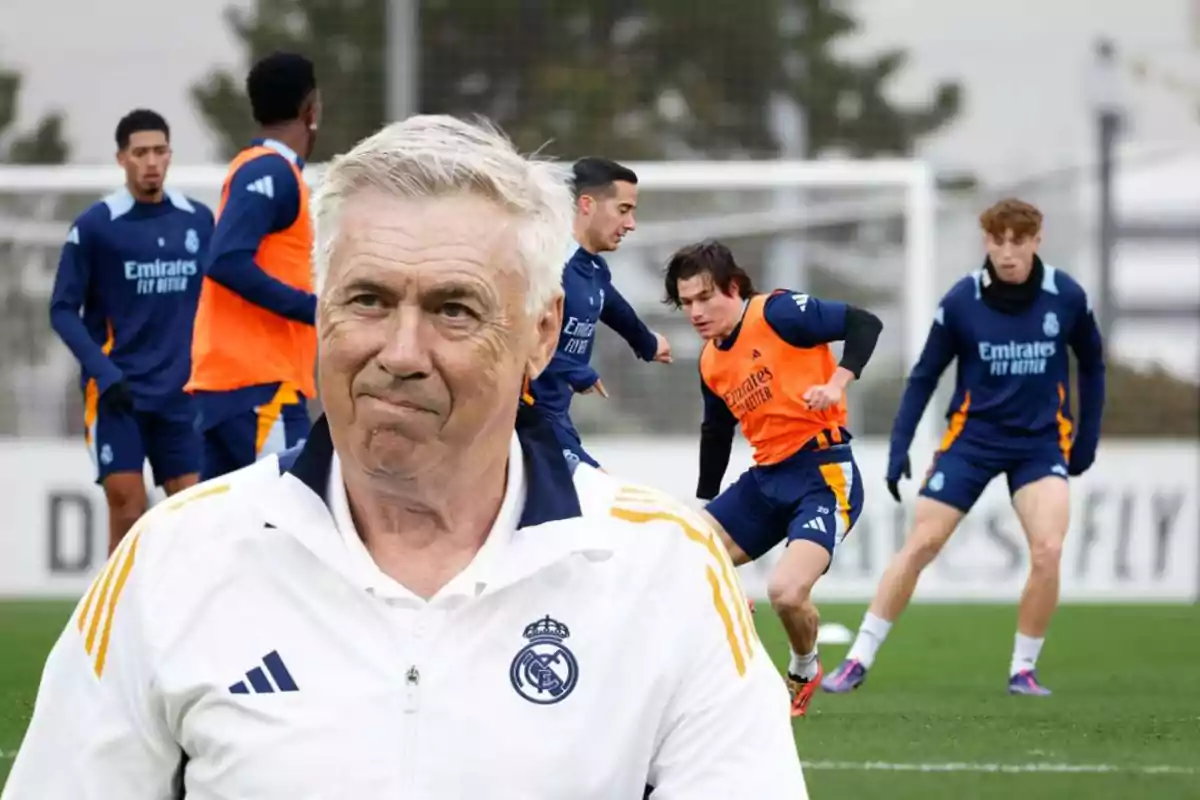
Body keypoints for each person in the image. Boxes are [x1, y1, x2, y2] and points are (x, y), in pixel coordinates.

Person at [3, 115, 808, 800]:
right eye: (368, 300)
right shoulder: (173, 559)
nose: (401, 351)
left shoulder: (665, 571)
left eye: (455, 309)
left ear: (539, 331)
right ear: (320, 311)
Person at [824, 198, 1105, 697]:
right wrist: (900, 445)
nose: (1008, 252)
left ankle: (1023, 668)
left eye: (1018, 241)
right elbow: (925, 375)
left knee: (1049, 548)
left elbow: (1093, 365)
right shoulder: (961, 301)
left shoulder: (1065, 296)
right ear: (987, 243)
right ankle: (858, 658)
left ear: (1036, 241)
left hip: (1039, 446)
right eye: (999, 241)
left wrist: (1085, 439)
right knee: (922, 544)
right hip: (971, 442)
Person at [663, 240, 884, 717]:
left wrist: (837, 383)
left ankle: (804, 666)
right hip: (766, 480)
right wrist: (706, 502)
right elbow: (715, 431)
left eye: (705, 298)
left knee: (785, 593)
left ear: (734, 287)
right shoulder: (709, 360)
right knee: (686, 555)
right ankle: (713, 681)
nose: (696, 312)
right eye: (686, 304)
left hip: (824, 475)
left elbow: (866, 323)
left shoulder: (779, 314)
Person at [48, 109, 213, 554]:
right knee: (128, 509)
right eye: (141, 152)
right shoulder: (96, 226)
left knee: (193, 512)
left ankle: (183, 616)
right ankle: (117, 620)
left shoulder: (198, 221)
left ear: (170, 156)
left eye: (160, 151)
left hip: (182, 394)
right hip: (118, 394)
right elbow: (62, 309)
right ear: (122, 159)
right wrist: (105, 373)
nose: (152, 161)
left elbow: (217, 300)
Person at [186, 51, 320, 479]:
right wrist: (312, 307)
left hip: (231, 386)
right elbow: (226, 260)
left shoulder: (259, 169)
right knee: (281, 524)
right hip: (262, 387)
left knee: (225, 536)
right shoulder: (271, 171)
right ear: (310, 108)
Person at [525, 157, 672, 469]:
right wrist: (577, 371)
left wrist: (647, 342)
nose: (631, 224)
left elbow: (613, 306)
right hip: (524, 419)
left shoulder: (592, 268)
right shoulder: (548, 263)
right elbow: (518, 334)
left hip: (554, 417)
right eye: (623, 210)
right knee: (597, 494)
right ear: (587, 205)